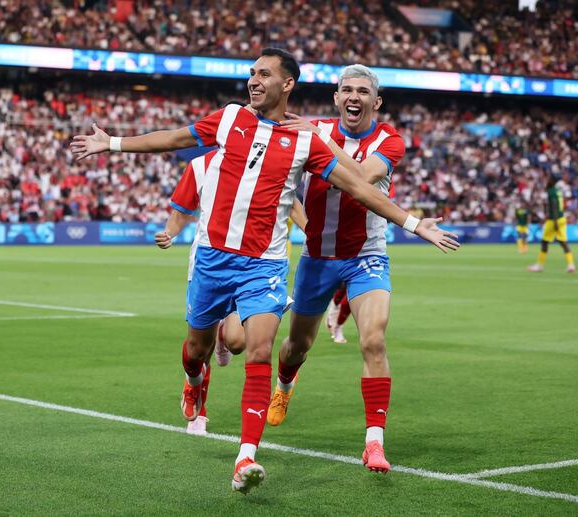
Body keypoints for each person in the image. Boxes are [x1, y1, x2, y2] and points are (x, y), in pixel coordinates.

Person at [70, 48, 459, 494]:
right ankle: (196, 381)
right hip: (217, 258)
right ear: (334, 97)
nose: (253, 80)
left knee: (261, 350)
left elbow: (357, 184)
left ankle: (247, 457)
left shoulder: (310, 139)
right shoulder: (232, 117)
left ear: (287, 84)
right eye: (251, 73)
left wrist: (412, 223)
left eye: (263, 74)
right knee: (203, 348)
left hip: (269, 263)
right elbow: (176, 138)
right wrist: (112, 143)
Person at [264, 64, 409, 474]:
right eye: (347, 89)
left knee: (374, 341)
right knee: (296, 348)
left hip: (368, 255)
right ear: (336, 97)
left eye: (363, 91)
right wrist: (305, 223)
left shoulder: (389, 140)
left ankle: (374, 442)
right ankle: (285, 385)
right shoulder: (311, 130)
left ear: (375, 102)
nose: (354, 97)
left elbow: (362, 177)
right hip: (318, 259)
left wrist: (321, 138)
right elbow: (285, 185)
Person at [155, 150, 307, 434]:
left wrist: (313, 233)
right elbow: (182, 210)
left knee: (237, 342)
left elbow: (293, 203)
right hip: (210, 266)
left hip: (256, 269)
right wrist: (169, 233)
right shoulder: (201, 165)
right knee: (200, 346)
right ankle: (196, 394)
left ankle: (223, 337)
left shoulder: (268, 162)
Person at [528, 176, 576, 273]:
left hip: (555, 219)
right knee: (563, 242)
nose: (546, 181)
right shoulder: (558, 191)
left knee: (544, 242)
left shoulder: (551, 192)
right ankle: (571, 265)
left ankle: (540, 265)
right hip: (561, 218)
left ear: (552, 181)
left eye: (548, 179)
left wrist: (554, 221)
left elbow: (554, 205)